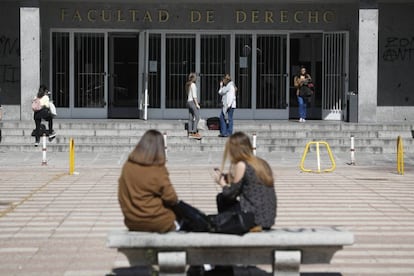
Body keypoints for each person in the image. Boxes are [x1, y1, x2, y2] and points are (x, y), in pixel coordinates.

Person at [118, 129, 180, 233]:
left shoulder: (127, 167)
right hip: (158, 221)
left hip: (132, 221)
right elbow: (172, 198)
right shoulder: (157, 169)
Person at [213, 132, 277, 231]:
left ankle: (227, 230)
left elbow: (230, 194)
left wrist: (222, 183)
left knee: (222, 198)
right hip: (268, 218)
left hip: (253, 218)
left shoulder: (242, 165)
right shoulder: (261, 163)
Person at [186, 72, 202, 139]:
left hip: (188, 102)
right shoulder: (193, 85)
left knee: (190, 118)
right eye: (195, 77)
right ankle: (194, 132)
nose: (196, 78)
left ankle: (190, 132)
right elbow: (194, 96)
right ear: (193, 78)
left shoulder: (189, 84)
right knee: (197, 117)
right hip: (192, 102)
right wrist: (197, 104)